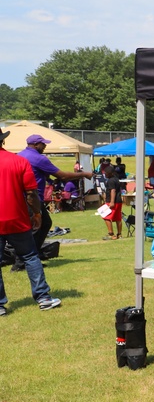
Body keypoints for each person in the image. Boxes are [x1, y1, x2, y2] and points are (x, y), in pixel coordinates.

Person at [0, 129, 62, 315]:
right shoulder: (19, 161)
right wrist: (37, 214)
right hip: (16, 218)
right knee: (30, 257)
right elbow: (31, 194)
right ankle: (43, 298)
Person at [17, 134, 92, 251]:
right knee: (37, 226)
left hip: (19, 198)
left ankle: (33, 254)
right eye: (43, 144)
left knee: (43, 224)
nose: (45, 146)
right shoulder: (39, 158)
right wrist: (84, 174)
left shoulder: (20, 155)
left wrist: (50, 180)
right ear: (36, 144)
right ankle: (27, 257)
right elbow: (63, 176)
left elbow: (34, 173)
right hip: (33, 198)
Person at [100, 162, 123, 240]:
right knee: (117, 218)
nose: (105, 174)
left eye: (106, 173)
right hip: (119, 201)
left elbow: (113, 190)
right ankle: (119, 234)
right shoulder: (116, 179)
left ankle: (111, 234)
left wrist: (111, 202)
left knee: (106, 216)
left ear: (111, 173)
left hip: (113, 201)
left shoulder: (110, 181)